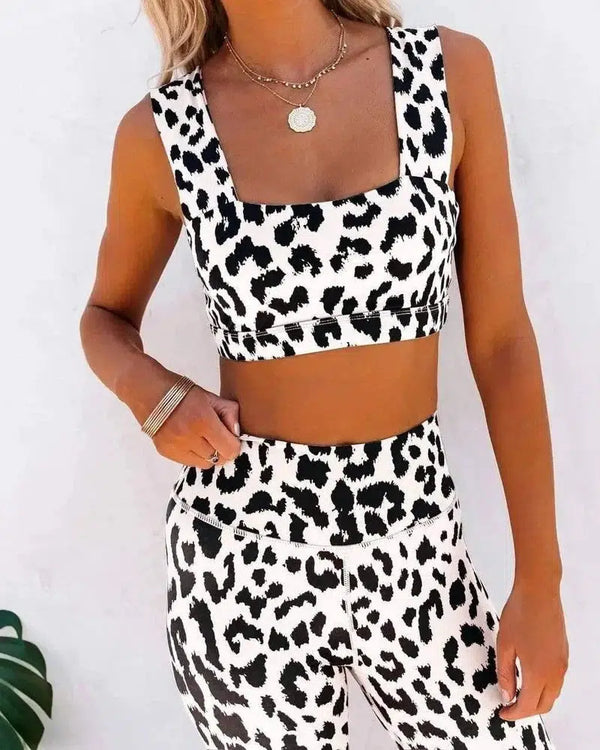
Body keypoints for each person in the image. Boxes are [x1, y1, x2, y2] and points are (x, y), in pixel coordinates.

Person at [79, 1, 568, 748]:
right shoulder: (161, 131)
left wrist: (541, 580)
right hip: (241, 550)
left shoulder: (448, 72)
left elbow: (501, 342)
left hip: (416, 534)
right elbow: (104, 318)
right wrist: (154, 396)